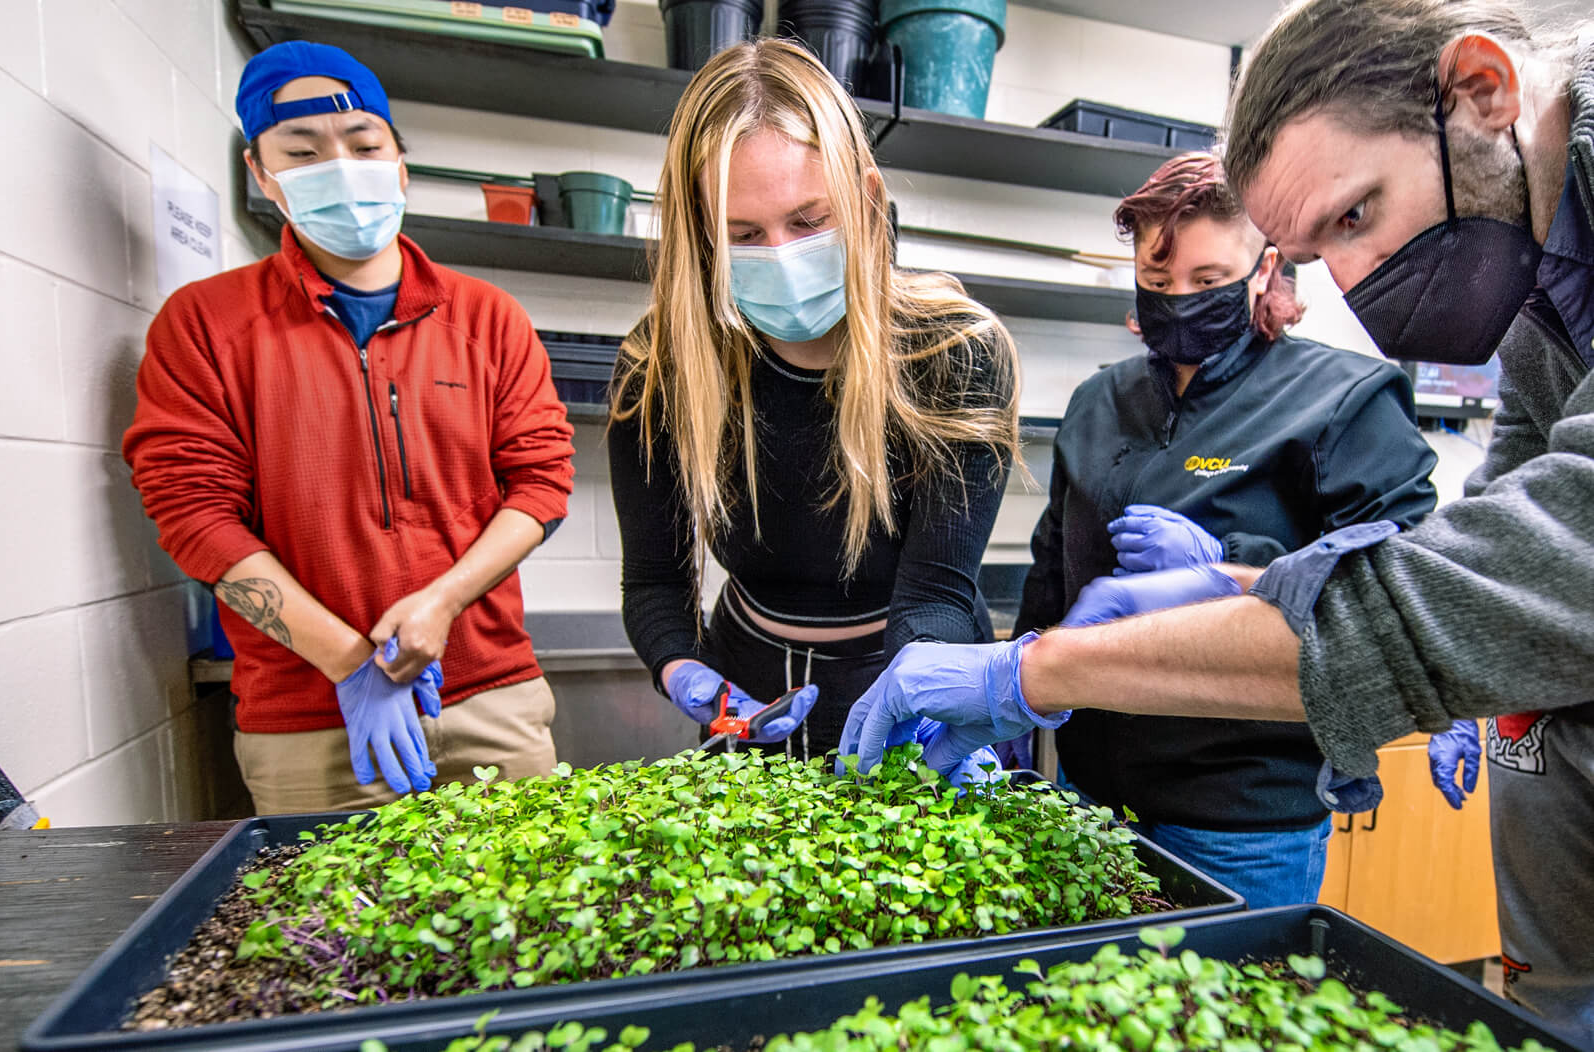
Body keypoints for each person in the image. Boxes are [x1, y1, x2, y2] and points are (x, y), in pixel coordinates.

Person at [839, 0, 1594, 1041]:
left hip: (1248, 798)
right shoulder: (1548, 296)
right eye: (1327, 248)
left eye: (1356, 216)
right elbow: (1503, 521)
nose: (1361, 284)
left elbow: (1477, 572)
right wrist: (1224, 597)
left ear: (1483, 91)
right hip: (1118, 777)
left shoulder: (1338, 391)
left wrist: (1040, 668)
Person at [123, 41, 575, 815]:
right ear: (263, 177)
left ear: (399, 163)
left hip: (491, 701)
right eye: (302, 151)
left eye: (364, 145)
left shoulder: (487, 319)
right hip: (311, 722)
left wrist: (440, 603)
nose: (341, 165)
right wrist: (350, 662)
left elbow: (541, 481)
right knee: (335, 937)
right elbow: (194, 514)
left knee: (527, 930)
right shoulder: (204, 325)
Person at [1013, 151, 1438, 908]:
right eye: (1158, 280)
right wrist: (1015, 692)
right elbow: (1054, 563)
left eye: (1208, 282)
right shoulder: (1098, 401)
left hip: (1240, 824)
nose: (1179, 300)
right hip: (1086, 797)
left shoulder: (1343, 397)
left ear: (1265, 265)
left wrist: (1231, 562)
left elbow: (1402, 582)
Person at [607, 39, 1019, 775]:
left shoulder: (954, 354)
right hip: (749, 690)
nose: (782, 255)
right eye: (742, 235)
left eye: (807, 221)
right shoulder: (659, 370)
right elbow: (655, 583)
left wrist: (918, 696)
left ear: (864, 197)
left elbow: (935, 592)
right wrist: (680, 667)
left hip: (911, 670)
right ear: (701, 239)